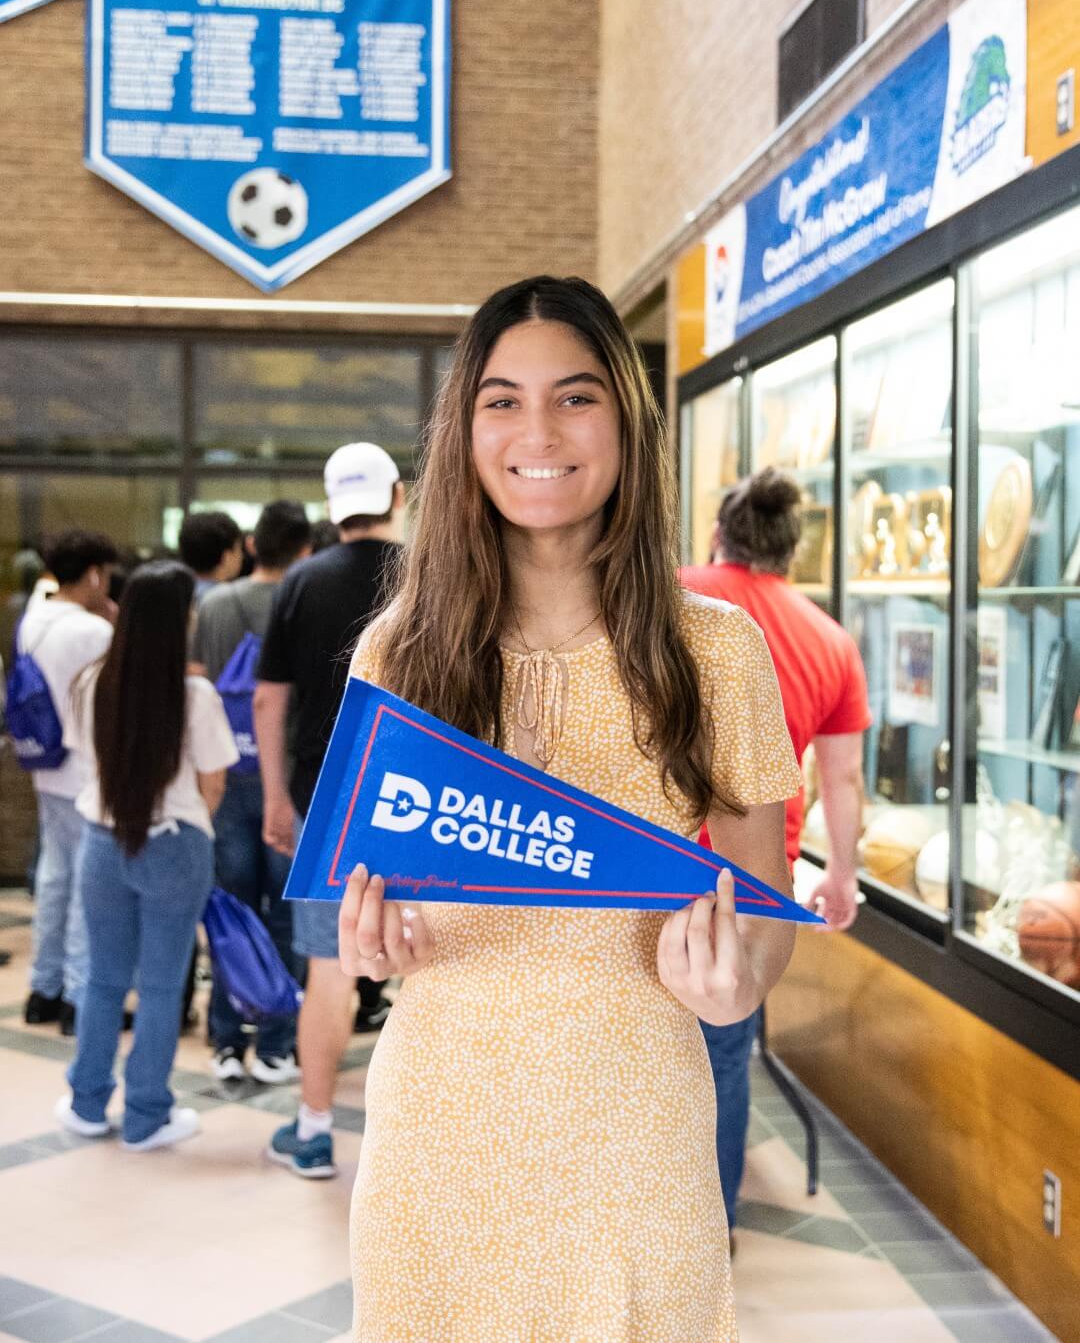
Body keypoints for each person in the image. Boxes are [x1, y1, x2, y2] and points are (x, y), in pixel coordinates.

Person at [336, 276, 802, 1340]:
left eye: (575, 397)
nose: (537, 430)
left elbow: (765, 903)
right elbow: (371, 903)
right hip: (438, 1130)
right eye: (502, 399)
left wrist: (738, 985)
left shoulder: (718, 650)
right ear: (464, 431)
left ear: (628, 425)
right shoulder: (398, 653)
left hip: (636, 1131)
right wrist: (372, 943)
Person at [680, 466, 872, 1239]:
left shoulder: (676, 593)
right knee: (723, 1063)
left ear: (722, 534)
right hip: (751, 879)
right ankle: (709, 1232)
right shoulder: (829, 639)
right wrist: (844, 877)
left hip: (642, 862)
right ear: (793, 551)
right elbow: (843, 776)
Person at [256, 443, 402, 1178]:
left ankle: (314, 1131)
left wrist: (278, 796)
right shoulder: (434, 577)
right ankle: (432, 1151)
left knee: (329, 972)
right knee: (440, 973)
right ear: (398, 497)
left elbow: (267, 697)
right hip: (428, 810)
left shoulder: (301, 582)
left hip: (328, 808)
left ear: (331, 508)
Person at [57, 561, 238, 1150]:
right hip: (173, 845)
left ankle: (86, 1103)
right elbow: (213, 783)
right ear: (179, 619)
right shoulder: (194, 695)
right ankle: (145, 1116)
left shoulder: (90, 683)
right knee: (161, 985)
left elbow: (86, 759)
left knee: (103, 978)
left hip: (101, 843)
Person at [192, 501, 312, 1083]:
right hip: (285, 782)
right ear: (304, 550)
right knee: (285, 917)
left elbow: (196, 686)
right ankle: (277, 1044)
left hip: (224, 777)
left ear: (254, 546)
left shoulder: (214, 605)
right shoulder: (306, 601)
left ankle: (224, 1041)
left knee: (230, 914)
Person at [17, 530, 117, 1035]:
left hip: (46, 764)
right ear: (95, 573)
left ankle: (43, 988)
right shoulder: (92, 632)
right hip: (87, 769)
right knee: (86, 886)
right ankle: (80, 996)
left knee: (55, 878)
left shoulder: (33, 619)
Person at [178, 511, 243, 603]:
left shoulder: (177, 596)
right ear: (226, 557)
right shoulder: (230, 602)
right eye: (239, 549)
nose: (242, 556)